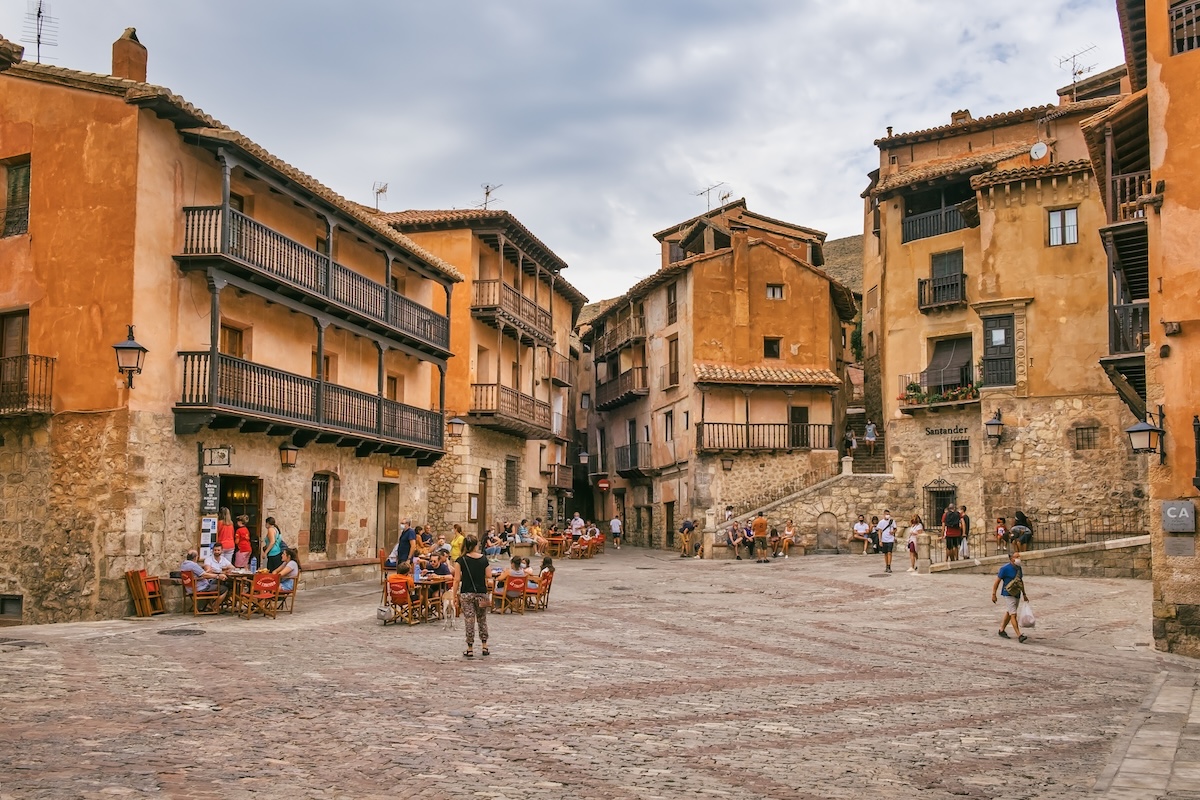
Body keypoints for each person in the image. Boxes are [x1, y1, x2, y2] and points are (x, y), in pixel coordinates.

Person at [453, 535, 493, 657]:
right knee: (482, 620)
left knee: (469, 620)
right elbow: (489, 575)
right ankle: (484, 646)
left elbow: (457, 579)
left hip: (467, 593)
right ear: (476, 545)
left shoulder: (461, 560)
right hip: (481, 592)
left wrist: (454, 595)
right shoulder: (484, 559)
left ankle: (470, 647)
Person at [992, 551, 1029, 643]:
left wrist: (1024, 594)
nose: (1018, 558)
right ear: (1011, 558)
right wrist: (994, 594)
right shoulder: (1004, 569)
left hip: (1016, 593)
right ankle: (1019, 635)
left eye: (1019, 556)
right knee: (1013, 614)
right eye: (1016, 557)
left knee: (1009, 612)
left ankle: (1001, 629)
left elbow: (1021, 581)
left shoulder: (1019, 568)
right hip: (1008, 593)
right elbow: (997, 581)